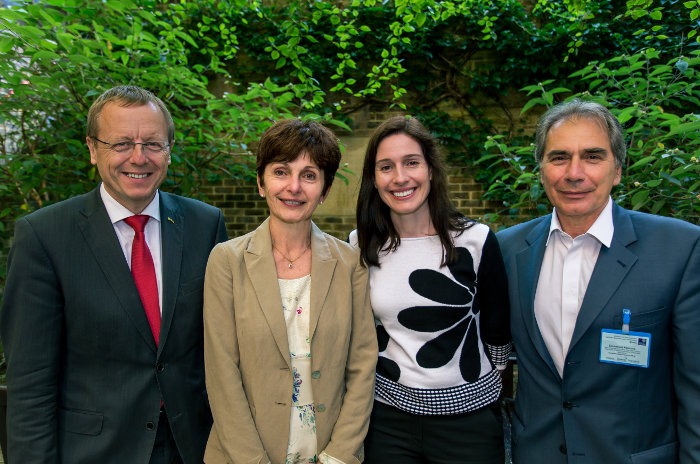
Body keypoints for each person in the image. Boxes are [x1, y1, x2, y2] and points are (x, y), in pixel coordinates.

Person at [0, 85, 228, 464]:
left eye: (153, 144)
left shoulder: (205, 224)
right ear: (92, 149)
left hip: (194, 448)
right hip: (93, 452)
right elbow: (30, 386)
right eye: (121, 143)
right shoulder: (44, 236)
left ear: (169, 150)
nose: (139, 158)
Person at [497, 99, 700, 463]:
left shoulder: (680, 249)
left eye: (592, 156)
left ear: (618, 169)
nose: (574, 173)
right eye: (559, 158)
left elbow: (695, 389)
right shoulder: (507, 250)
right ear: (541, 170)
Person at [202, 118, 377, 464]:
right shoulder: (226, 261)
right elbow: (222, 374)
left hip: (328, 449)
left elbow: (362, 367)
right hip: (244, 453)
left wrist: (339, 456)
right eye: (281, 171)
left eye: (309, 175)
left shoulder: (350, 263)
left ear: (325, 191)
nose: (294, 187)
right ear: (261, 183)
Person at [350, 115, 511, 464]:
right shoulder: (360, 246)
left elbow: (498, 328)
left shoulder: (475, 240)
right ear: (374, 180)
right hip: (388, 420)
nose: (400, 177)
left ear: (431, 170)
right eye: (386, 167)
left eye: (412, 163)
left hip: (469, 422)